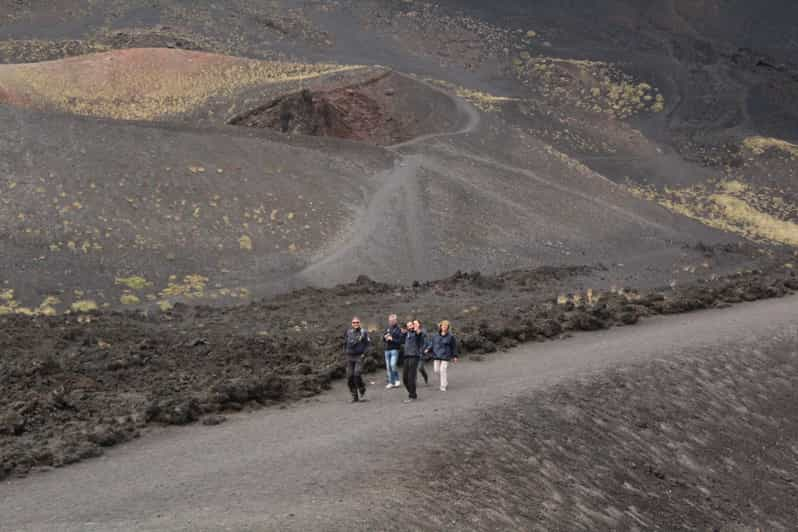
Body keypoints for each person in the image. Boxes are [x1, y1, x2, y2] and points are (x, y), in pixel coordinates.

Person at [343, 316, 370, 402]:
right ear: (352, 324)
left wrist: (364, 354)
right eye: (354, 322)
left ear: (359, 323)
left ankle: (362, 388)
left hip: (359, 356)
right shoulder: (348, 332)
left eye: (357, 322)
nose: (356, 324)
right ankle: (354, 396)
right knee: (349, 376)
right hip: (350, 356)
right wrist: (345, 352)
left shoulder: (364, 332)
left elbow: (368, 344)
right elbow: (345, 343)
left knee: (357, 374)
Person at [428, 320, 459, 391]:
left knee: (442, 370)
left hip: (446, 355)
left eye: (446, 326)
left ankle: (443, 386)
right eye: (443, 326)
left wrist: (455, 356)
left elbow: (454, 346)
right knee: (436, 370)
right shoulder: (435, 335)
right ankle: (444, 381)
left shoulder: (451, 336)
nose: (444, 327)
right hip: (436, 355)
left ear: (448, 327)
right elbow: (432, 343)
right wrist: (428, 348)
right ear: (440, 326)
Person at [402, 319, 428, 402]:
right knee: (404, 378)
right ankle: (412, 393)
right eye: (408, 325)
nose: (409, 326)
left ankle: (412, 396)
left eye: (411, 325)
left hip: (414, 356)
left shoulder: (416, 333)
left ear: (413, 326)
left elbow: (420, 335)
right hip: (406, 356)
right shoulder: (407, 334)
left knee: (411, 377)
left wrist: (417, 331)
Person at [382, 314, 405, 389]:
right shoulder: (387, 328)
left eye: (393, 320)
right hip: (387, 350)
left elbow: (400, 341)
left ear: (396, 320)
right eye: (390, 320)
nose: (391, 322)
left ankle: (397, 378)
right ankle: (391, 382)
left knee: (392, 365)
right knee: (388, 367)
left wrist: (392, 339)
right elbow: (383, 338)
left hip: (395, 349)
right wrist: (385, 337)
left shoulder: (399, 329)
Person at [414, 319, 430, 385]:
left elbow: (427, 342)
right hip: (414, 352)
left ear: (419, 324)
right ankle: (414, 382)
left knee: (420, 368)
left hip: (421, 353)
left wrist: (426, 349)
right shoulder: (412, 332)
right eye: (413, 323)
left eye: (416, 323)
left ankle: (425, 376)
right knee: (413, 368)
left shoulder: (423, 332)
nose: (414, 325)